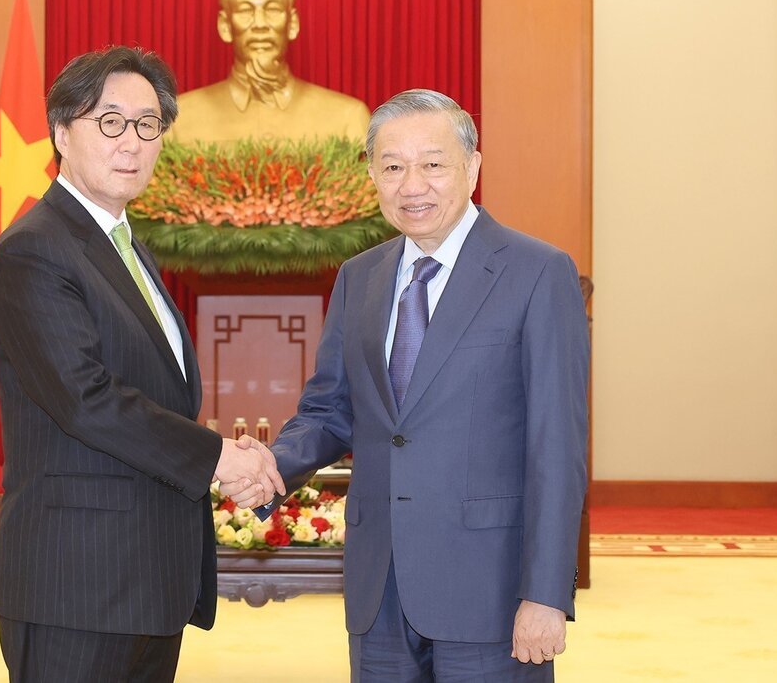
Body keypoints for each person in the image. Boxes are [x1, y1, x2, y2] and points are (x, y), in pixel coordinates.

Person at [233, 89, 589, 681]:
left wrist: (547, 592)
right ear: (372, 174)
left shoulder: (537, 272)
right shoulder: (360, 277)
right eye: (392, 167)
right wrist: (272, 463)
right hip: (380, 589)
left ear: (473, 167)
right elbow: (331, 410)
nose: (411, 185)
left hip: (490, 591)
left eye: (432, 163)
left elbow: (558, 449)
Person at [0, 45, 283, 682]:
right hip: (77, 581)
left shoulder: (124, 244)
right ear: (63, 132)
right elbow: (84, 399)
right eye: (110, 121)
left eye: (149, 125)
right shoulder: (36, 248)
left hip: (146, 576)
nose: (132, 142)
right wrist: (220, 459)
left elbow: (155, 392)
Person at [167, 0, 370, 147]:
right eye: (245, 10)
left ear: (293, 23)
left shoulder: (347, 118)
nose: (260, 24)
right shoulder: (179, 119)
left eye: (273, 9)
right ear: (225, 26)